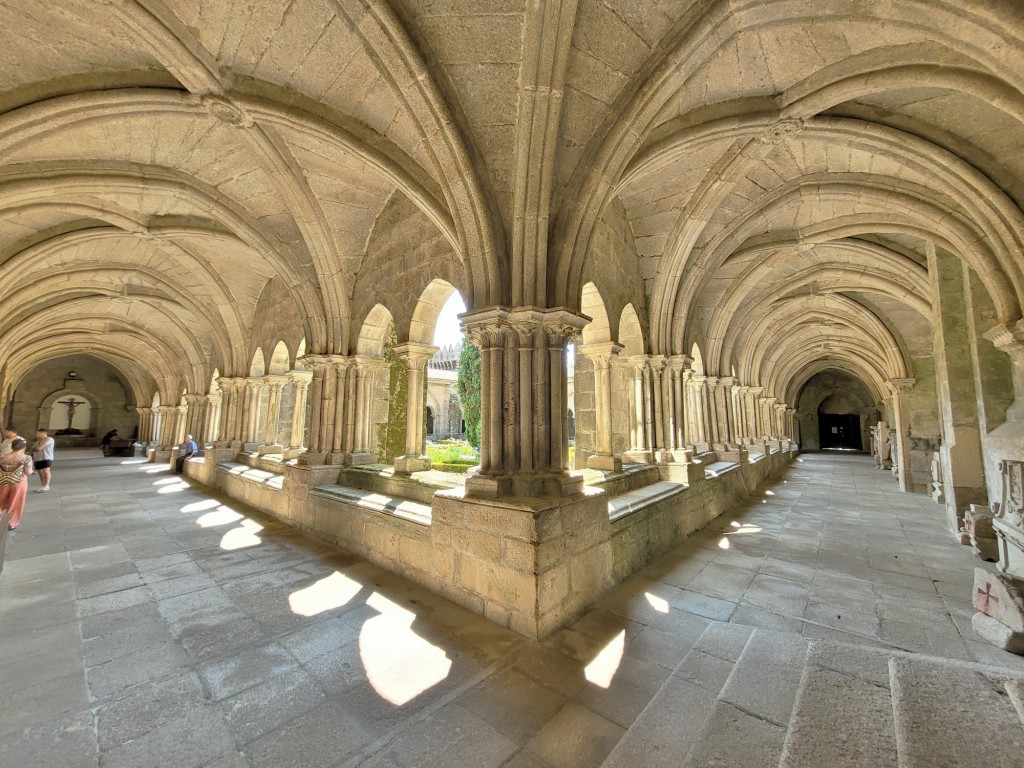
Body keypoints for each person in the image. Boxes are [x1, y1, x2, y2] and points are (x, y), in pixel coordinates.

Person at [0, 437, 34, 530]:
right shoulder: (26, 458)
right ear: (23, 447)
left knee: (1, 500)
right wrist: (32, 473)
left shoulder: (2, 456)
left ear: (12, 446)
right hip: (18, 482)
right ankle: (11, 523)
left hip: (3, 481)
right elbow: (27, 472)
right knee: (16, 501)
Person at [31, 428, 55, 492]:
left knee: (46, 471)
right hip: (38, 458)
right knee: (40, 472)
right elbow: (32, 449)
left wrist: (36, 448)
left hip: (46, 457)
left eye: (38, 433)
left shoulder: (49, 439)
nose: (37, 435)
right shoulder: (37, 441)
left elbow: (39, 448)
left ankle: (47, 485)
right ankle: (43, 485)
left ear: (43, 433)